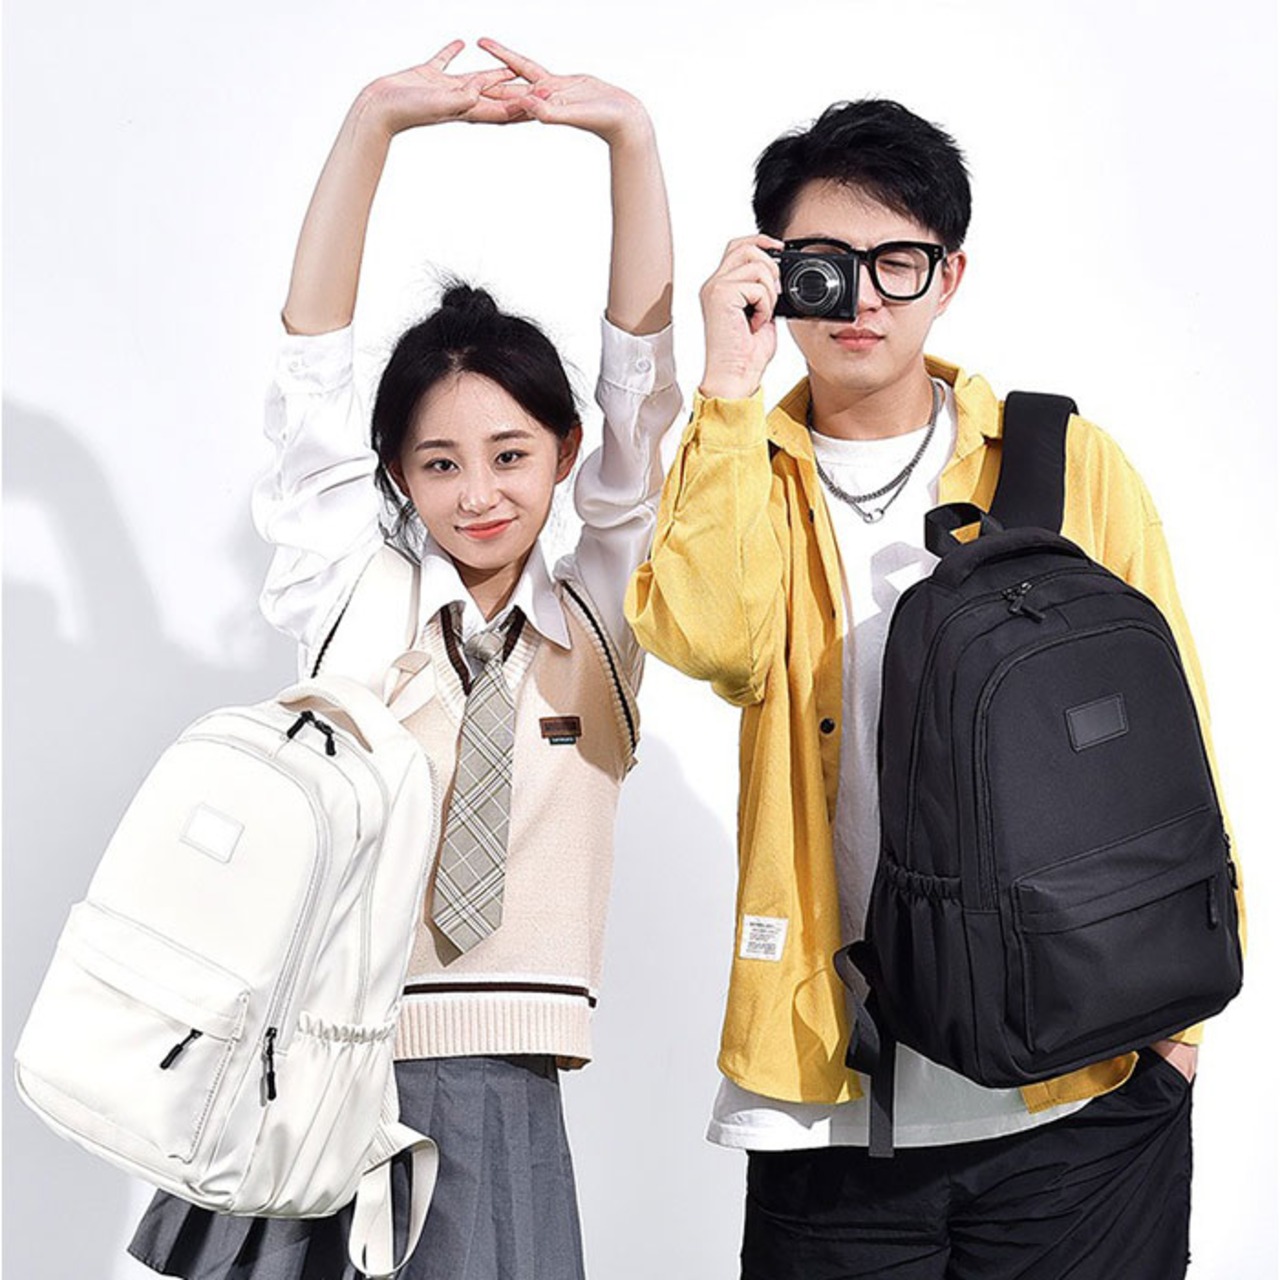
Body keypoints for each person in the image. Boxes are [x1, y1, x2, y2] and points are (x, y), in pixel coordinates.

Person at [626, 99, 1237, 1279]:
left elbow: (1178, 740)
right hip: (832, 1097)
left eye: (895, 262)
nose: (859, 297)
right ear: (772, 273)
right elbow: (705, 640)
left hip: (1083, 1082)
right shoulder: (741, 467)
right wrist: (728, 385)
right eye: (822, 263)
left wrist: (1183, 1023)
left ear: (946, 275)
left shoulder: (1060, 460)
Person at [128, 37, 679, 1280]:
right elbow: (309, 367)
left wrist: (629, 140)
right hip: (314, 1064)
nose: (477, 493)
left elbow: (643, 402)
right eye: (439, 463)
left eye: (510, 455)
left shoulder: (600, 614)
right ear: (395, 472)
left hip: (502, 1076)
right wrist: (373, 120)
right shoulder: (354, 595)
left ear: (564, 452)